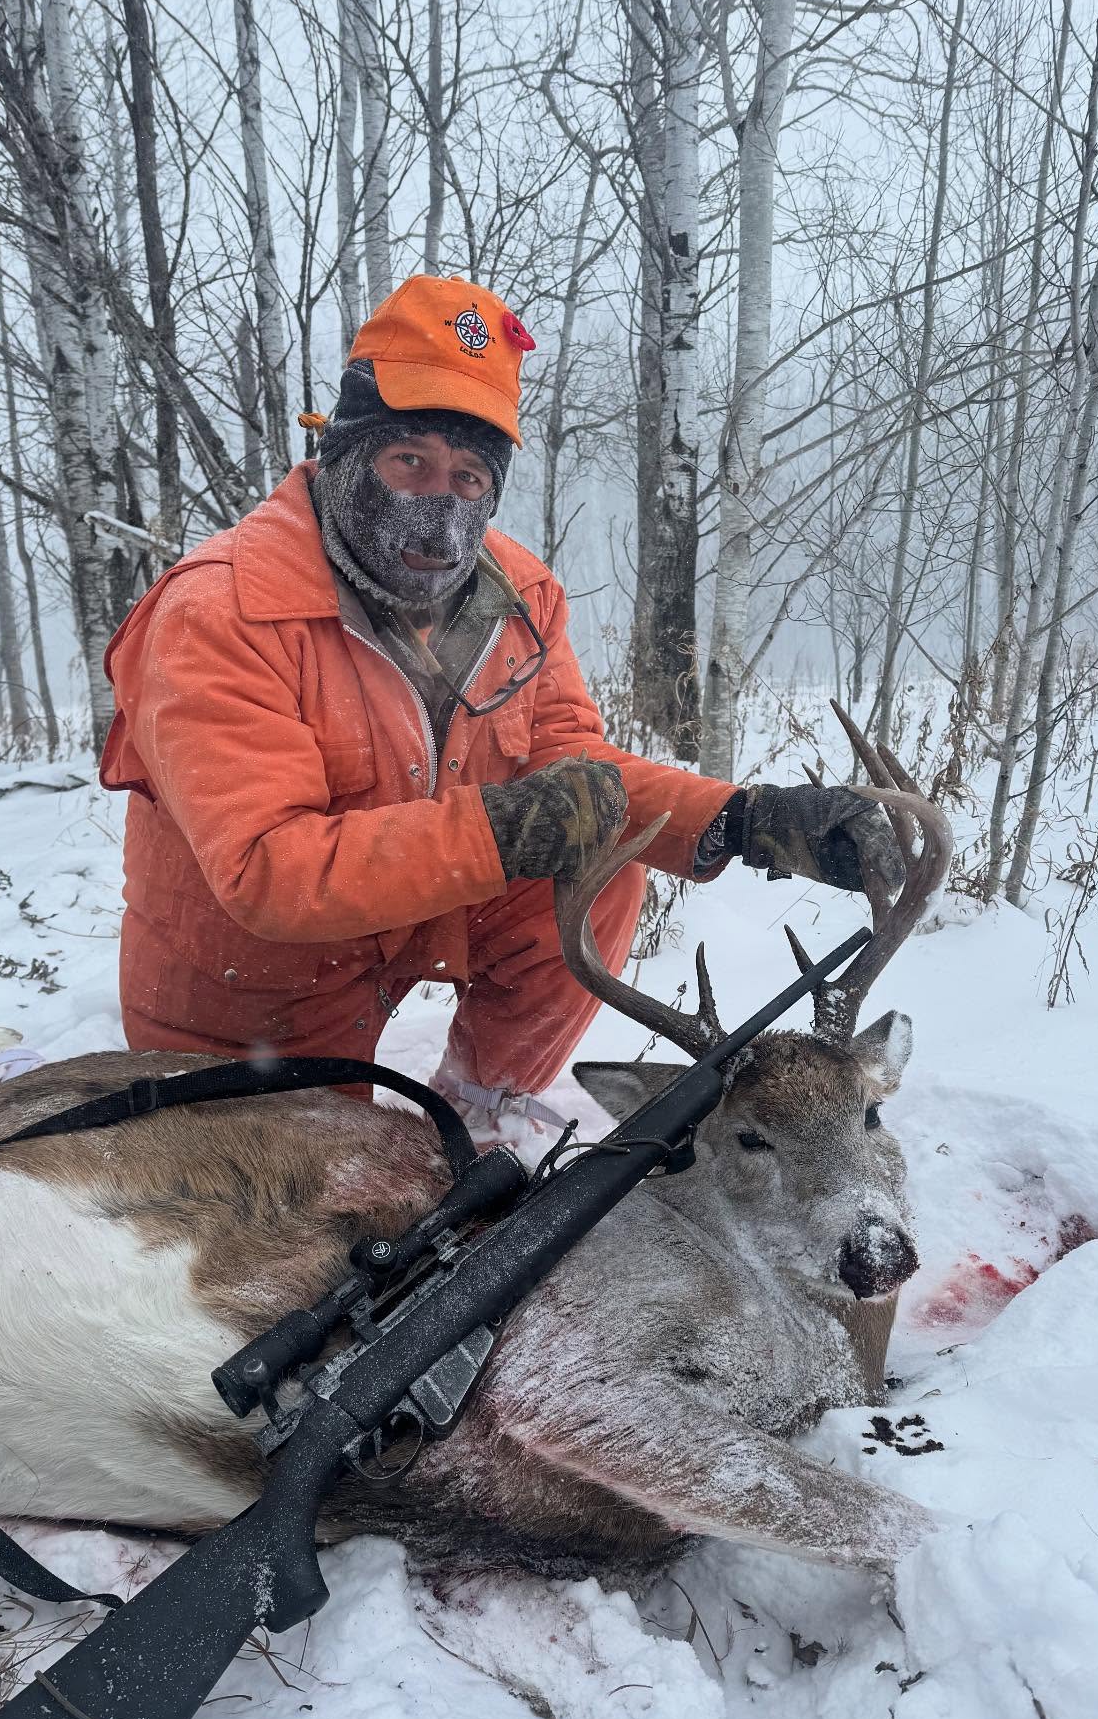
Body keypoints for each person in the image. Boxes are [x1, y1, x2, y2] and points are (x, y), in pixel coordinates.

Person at [100, 275, 902, 1141]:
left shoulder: (518, 596)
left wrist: (744, 821)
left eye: (469, 474)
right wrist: (501, 830)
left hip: (411, 920)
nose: (438, 509)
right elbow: (269, 870)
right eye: (408, 462)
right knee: (310, 1231)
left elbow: (576, 770)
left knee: (606, 858)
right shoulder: (220, 610)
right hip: (252, 989)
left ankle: (478, 1111)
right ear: (343, 450)